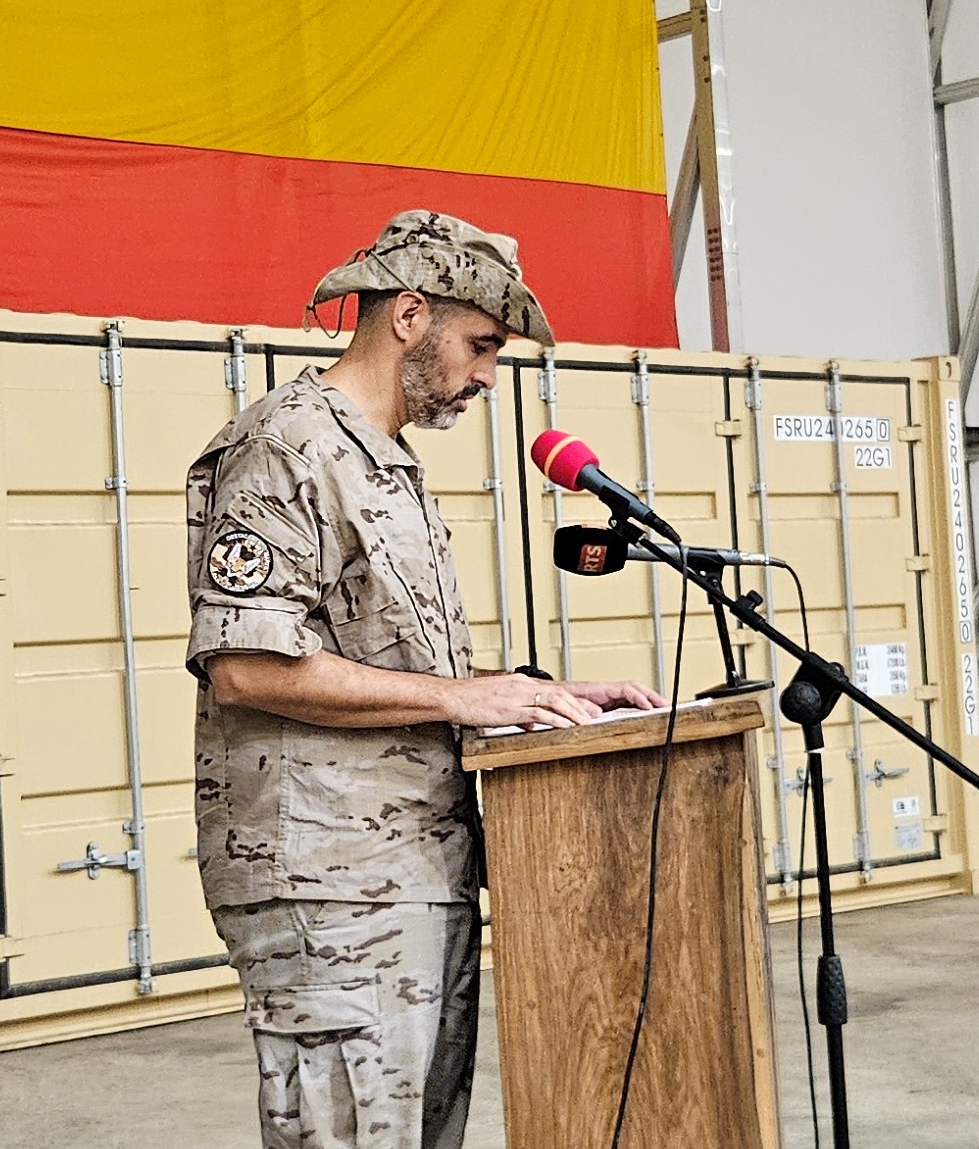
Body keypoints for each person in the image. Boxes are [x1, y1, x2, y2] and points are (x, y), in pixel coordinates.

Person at [184, 211, 660, 1149]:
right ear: (409, 315)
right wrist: (459, 698)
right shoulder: (287, 446)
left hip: (416, 867)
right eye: (481, 345)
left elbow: (385, 664)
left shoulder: (387, 464)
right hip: (329, 881)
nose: (489, 374)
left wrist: (533, 694)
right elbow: (244, 664)